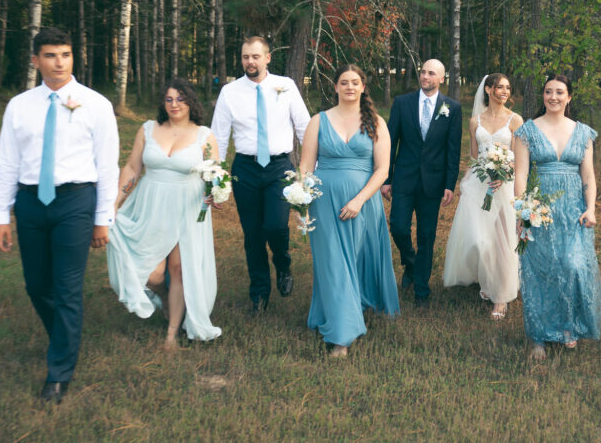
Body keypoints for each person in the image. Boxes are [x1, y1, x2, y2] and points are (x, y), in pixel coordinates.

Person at [0, 27, 119, 404]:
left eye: (65, 54)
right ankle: (64, 337)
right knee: (36, 285)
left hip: (76, 201)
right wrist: (1, 214)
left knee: (67, 287)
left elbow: (107, 164)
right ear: (36, 61)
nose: (59, 62)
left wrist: (103, 218)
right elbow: (7, 162)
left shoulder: (95, 103)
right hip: (31, 202)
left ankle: (59, 372)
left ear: (72, 57)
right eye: (50, 55)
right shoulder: (20, 105)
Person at [106, 79, 223, 348]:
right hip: (151, 204)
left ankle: (172, 332)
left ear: (191, 102)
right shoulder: (148, 129)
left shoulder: (204, 135)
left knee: (179, 268)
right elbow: (133, 168)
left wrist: (215, 192)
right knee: (154, 274)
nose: (174, 104)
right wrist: (115, 203)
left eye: (180, 99)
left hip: (188, 205)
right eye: (169, 99)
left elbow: (216, 174)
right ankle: (165, 297)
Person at [299, 64, 399, 357]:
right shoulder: (318, 121)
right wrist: (301, 199)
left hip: (363, 203)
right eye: (344, 82)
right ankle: (341, 336)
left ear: (363, 86)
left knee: (354, 259)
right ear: (336, 87)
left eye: (355, 82)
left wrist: (359, 200)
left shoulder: (377, 122)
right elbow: (306, 165)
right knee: (332, 262)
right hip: (323, 202)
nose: (350, 87)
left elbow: (382, 171)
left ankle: (346, 307)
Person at [210, 36, 311, 314]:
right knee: (253, 234)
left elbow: (304, 128)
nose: (250, 62)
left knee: (276, 226)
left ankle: (283, 264)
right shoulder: (230, 92)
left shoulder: (286, 86)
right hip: (246, 169)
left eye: (255, 56)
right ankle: (259, 294)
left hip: (280, 167)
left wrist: (307, 168)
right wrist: (215, 178)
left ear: (267, 58)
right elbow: (217, 137)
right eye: (245, 57)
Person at [513, 74, 601, 359]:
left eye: (559, 92)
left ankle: (569, 327)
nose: (553, 97)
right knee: (541, 270)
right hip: (540, 209)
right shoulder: (527, 131)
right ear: (543, 96)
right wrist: (523, 211)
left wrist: (591, 207)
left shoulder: (583, 132)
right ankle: (539, 335)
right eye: (548, 92)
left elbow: (588, 173)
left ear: (569, 97)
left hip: (574, 209)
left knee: (573, 265)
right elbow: (522, 174)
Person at [381, 59, 463, 308]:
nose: (425, 76)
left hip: (433, 182)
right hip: (404, 178)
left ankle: (422, 290)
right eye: (423, 71)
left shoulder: (453, 108)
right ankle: (410, 260)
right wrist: (386, 178)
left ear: (441, 79)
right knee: (398, 227)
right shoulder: (402, 103)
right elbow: (390, 141)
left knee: (427, 235)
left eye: (431, 73)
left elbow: (453, 149)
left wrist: (450, 184)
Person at [443, 73, 523, 319]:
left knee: (503, 241)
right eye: (500, 87)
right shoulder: (475, 120)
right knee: (479, 240)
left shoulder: (515, 120)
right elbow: (474, 156)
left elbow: (520, 158)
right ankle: (487, 280)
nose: (504, 92)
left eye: (508, 88)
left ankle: (501, 296)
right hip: (479, 185)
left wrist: (505, 172)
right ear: (488, 89)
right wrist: (465, 181)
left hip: (504, 186)